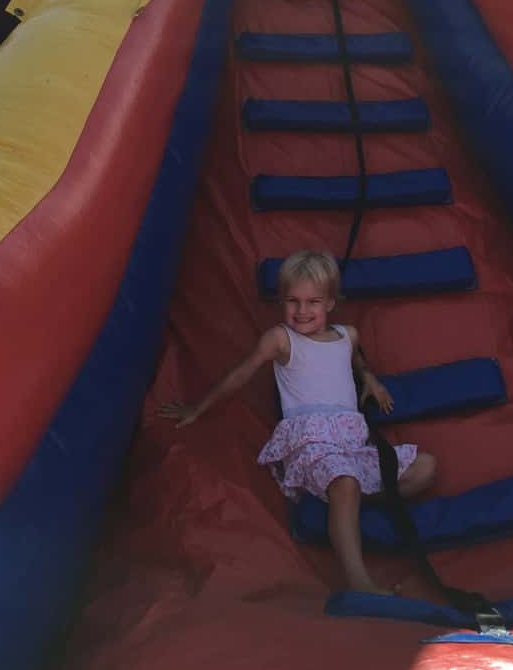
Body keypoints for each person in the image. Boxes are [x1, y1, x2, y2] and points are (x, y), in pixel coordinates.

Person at [160, 250, 437, 594]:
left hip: (352, 445)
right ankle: (359, 581)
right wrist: (197, 408)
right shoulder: (281, 339)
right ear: (281, 302)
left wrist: (370, 378)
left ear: (330, 303)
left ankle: (345, 504)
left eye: (313, 302)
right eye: (293, 301)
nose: (302, 311)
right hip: (311, 446)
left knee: (424, 468)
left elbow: (356, 361)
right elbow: (241, 373)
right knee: (346, 480)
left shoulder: (347, 335)